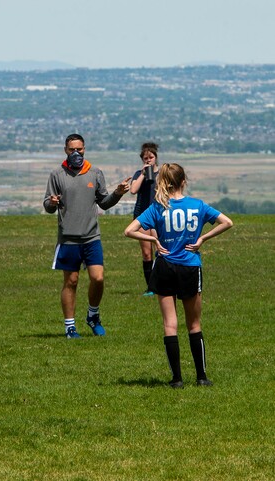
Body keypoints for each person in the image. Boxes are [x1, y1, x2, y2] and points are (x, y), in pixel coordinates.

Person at [124, 163, 233, 388]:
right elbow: (227, 222)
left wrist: (154, 240)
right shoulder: (197, 205)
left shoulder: (157, 207)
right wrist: (203, 239)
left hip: (164, 266)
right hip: (190, 266)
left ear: (163, 181)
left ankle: (176, 379)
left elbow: (129, 230)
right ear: (184, 181)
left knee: (169, 325)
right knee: (194, 324)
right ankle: (201, 377)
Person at [43, 134, 131, 338]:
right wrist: (52, 202)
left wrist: (118, 193)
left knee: (98, 279)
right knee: (71, 282)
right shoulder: (57, 174)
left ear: (84, 149)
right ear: (65, 150)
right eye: (72, 149)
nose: (76, 153)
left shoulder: (95, 173)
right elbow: (47, 205)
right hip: (68, 239)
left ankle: (93, 315)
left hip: (91, 237)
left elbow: (104, 203)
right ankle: (70, 327)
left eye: (79, 149)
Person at [129, 142, 160, 296]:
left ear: (156, 158)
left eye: (151, 157)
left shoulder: (161, 174)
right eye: (145, 158)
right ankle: (151, 288)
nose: (148, 160)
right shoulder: (138, 174)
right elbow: (133, 190)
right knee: (146, 253)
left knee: (160, 251)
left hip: (158, 215)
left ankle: (161, 284)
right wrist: (142, 174)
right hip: (141, 215)